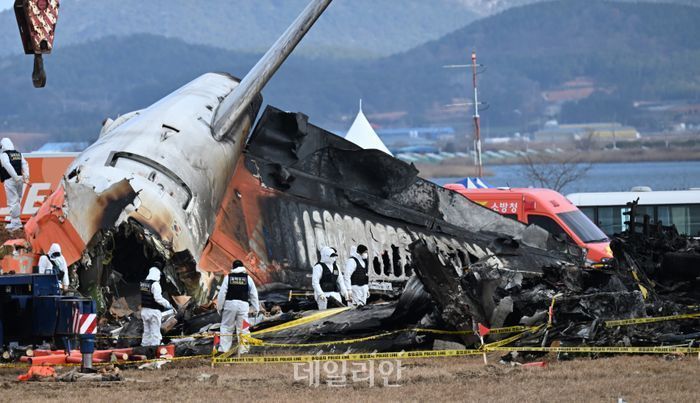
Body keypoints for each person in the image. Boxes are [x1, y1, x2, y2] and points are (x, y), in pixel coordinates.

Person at [217, 260, 259, 354]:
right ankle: (244, 351)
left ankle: (223, 350)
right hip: (243, 306)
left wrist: (219, 307)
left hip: (229, 305)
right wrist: (256, 308)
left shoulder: (228, 277)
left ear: (233, 267)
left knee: (226, 327)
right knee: (244, 328)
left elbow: (222, 293)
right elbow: (253, 294)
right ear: (243, 267)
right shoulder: (248, 278)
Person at [140, 263, 173, 347]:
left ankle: (144, 348)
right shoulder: (155, 284)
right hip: (153, 312)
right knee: (155, 332)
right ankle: (155, 349)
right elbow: (158, 299)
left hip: (144, 311)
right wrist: (168, 305)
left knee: (146, 332)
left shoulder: (143, 283)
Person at [0, 138, 29, 231]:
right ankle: (15, 219)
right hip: (20, 179)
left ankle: (15, 222)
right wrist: (26, 177)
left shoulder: (4, 155)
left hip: (10, 179)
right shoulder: (18, 154)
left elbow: (7, 165)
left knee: (12, 200)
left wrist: (15, 176)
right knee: (17, 200)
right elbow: (25, 164)